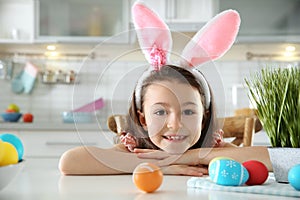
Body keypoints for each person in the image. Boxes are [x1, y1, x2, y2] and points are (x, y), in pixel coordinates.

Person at [58, 1, 272, 176]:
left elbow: (274, 161)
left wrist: (192, 157)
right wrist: (162, 165)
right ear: (143, 119)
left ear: (204, 118)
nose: (175, 124)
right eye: (160, 111)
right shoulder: (136, 149)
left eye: (188, 111)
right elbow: (69, 162)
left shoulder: (212, 149)